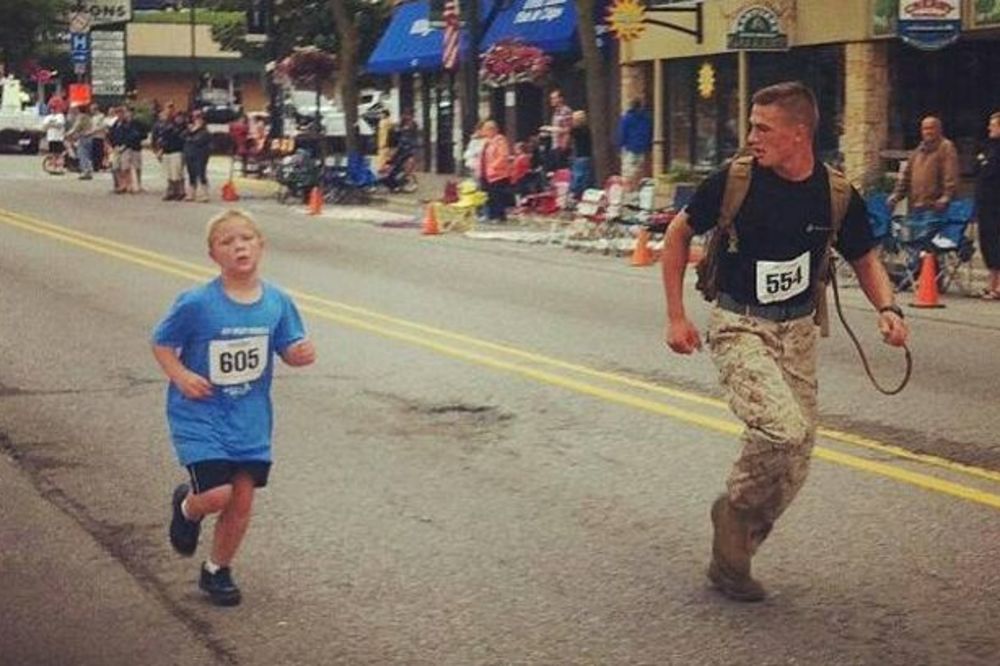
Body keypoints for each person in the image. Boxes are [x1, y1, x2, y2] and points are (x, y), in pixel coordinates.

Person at [661, 81, 908, 602]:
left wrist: (887, 308)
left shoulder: (836, 194)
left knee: (798, 459)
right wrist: (676, 316)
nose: (752, 136)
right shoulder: (736, 180)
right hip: (738, 323)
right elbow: (678, 233)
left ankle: (738, 536)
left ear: (800, 134)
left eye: (763, 128)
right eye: (752, 125)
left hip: (797, 330)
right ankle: (734, 509)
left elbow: (864, 257)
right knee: (782, 428)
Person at [152, 209, 317, 607]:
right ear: (213, 255)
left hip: (250, 419)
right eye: (227, 241)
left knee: (241, 500)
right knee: (216, 496)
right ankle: (188, 507)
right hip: (201, 413)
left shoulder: (277, 302)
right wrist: (180, 376)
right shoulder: (196, 303)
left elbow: (288, 348)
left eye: (246, 238)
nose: (238, 246)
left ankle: (217, 570)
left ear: (261, 246)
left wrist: (299, 355)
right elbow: (161, 342)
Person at [887, 115, 959, 223]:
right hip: (916, 207)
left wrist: (946, 196)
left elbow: (950, 174)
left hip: (936, 207)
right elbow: (906, 176)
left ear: (939, 129)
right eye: (925, 128)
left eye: (931, 128)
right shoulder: (917, 151)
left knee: (931, 238)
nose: (928, 132)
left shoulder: (946, 147)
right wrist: (896, 195)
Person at [976, 111, 1000, 299]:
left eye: (993, 125)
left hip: (997, 205)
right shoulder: (989, 148)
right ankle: (991, 283)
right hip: (986, 206)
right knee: (988, 243)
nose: (989, 127)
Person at [617, 98, 653, 192]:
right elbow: (649, 132)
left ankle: (628, 190)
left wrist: (620, 146)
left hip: (629, 147)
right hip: (642, 146)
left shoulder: (627, 117)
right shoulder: (646, 118)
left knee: (627, 170)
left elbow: (622, 133)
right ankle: (637, 188)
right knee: (638, 169)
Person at [480, 120, 511, 222]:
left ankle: (499, 215)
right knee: (488, 195)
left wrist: (493, 167)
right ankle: (489, 214)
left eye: (485, 129)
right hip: (485, 173)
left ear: (492, 130)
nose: (483, 131)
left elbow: (503, 156)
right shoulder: (487, 142)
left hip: (497, 174)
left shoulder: (500, 141)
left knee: (497, 195)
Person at [184, 110, 213, 202]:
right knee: (191, 174)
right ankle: (191, 194)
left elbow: (198, 141)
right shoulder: (189, 129)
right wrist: (191, 131)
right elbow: (183, 137)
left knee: (201, 174)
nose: (197, 120)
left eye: (199, 117)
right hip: (190, 154)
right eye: (195, 117)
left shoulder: (205, 131)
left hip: (201, 155)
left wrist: (193, 134)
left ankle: (204, 194)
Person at [65, 104, 95, 180]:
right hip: (90, 137)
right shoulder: (88, 117)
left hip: (84, 137)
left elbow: (76, 127)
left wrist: (68, 134)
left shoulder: (81, 117)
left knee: (82, 154)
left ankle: (85, 171)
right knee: (87, 155)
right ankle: (89, 170)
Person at [545, 89, 573, 170]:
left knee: (562, 170)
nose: (552, 100)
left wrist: (551, 129)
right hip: (554, 145)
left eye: (554, 98)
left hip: (562, 146)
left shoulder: (566, 111)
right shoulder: (556, 112)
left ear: (560, 99)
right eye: (551, 98)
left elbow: (568, 129)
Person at [569, 110, 593, 198]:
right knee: (584, 177)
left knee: (578, 176)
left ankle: (576, 195)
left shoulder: (577, 130)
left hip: (580, 156)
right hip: (586, 156)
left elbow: (568, 132)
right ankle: (583, 194)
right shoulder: (587, 129)